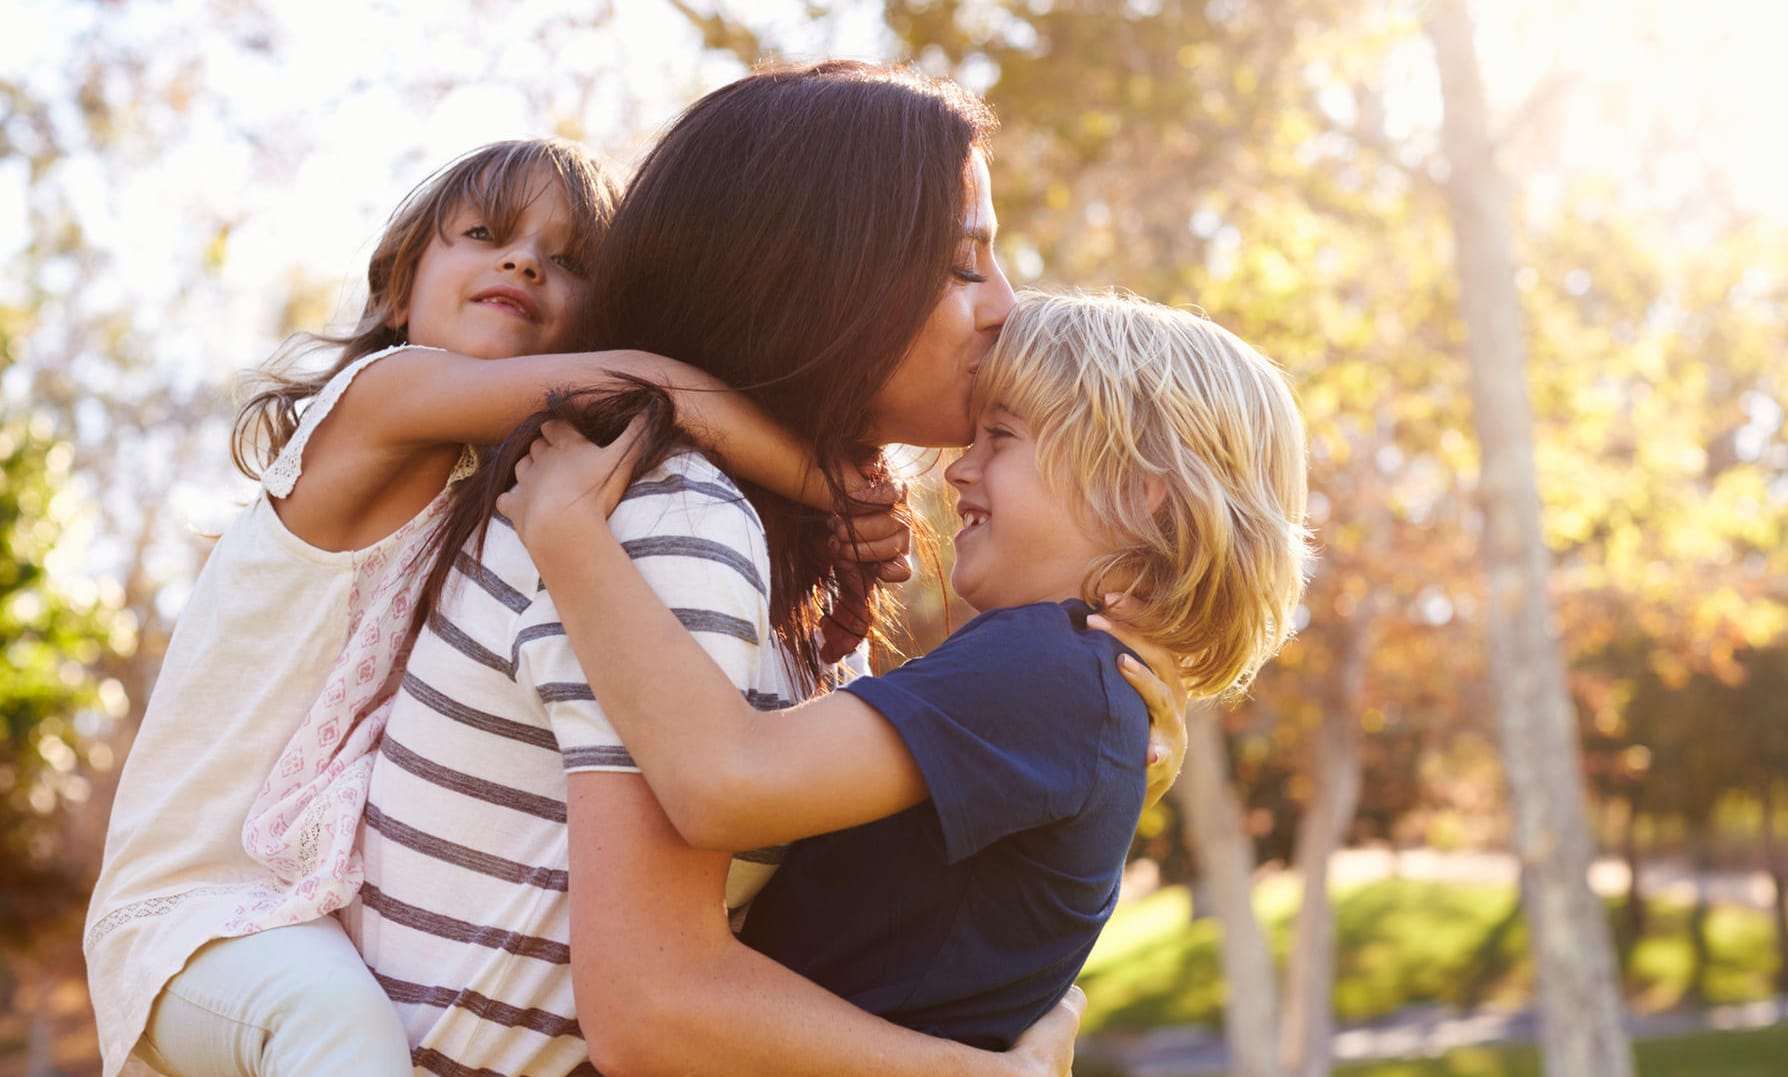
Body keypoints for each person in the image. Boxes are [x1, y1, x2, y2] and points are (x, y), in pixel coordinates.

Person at [351, 63, 1183, 1076]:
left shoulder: (773, 539)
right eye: (966, 263)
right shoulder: (667, 519)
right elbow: (657, 1010)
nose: (1006, 305)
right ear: (825, 275)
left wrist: (1081, 730)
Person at [82, 137, 890, 1077]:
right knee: (341, 1028)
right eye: (486, 235)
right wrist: (830, 487)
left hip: (311, 904)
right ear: (398, 290)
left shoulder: (506, 485)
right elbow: (644, 386)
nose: (525, 263)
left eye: (569, 260)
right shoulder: (375, 398)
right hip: (197, 909)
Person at [504, 288, 1311, 1049]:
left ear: (1141, 497)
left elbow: (724, 780)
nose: (959, 468)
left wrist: (568, 531)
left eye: (1002, 436)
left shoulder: (1046, 666)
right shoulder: (1079, 684)